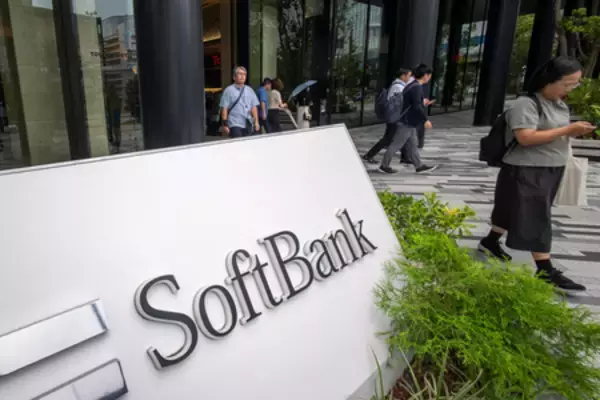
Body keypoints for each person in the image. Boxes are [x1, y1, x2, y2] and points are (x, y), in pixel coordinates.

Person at [479, 56, 596, 292]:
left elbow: (553, 133)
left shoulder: (558, 104)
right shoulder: (526, 104)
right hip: (527, 169)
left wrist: (572, 132)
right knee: (536, 217)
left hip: (551, 167)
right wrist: (567, 129)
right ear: (549, 80)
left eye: (575, 84)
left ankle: (489, 242)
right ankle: (545, 270)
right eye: (568, 84)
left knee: (510, 209)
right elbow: (525, 137)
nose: (571, 89)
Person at [379, 64, 438, 174]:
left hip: (409, 121)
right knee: (396, 144)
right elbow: (416, 106)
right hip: (406, 122)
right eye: (429, 75)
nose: (429, 78)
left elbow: (413, 104)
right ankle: (384, 165)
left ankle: (419, 166)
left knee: (413, 145)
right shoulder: (416, 87)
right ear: (425, 75)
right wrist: (425, 120)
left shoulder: (412, 85)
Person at [362, 68, 412, 164]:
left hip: (396, 116)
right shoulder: (398, 86)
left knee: (403, 136)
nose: (409, 78)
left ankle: (405, 157)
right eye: (409, 76)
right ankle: (369, 155)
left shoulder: (399, 85)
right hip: (394, 117)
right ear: (403, 76)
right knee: (388, 138)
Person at [220, 66, 260, 138]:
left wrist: (256, 122)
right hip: (234, 123)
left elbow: (254, 107)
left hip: (248, 123)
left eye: (244, 74)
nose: (242, 76)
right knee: (237, 143)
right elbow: (224, 108)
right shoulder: (228, 90)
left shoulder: (250, 90)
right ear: (234, 77)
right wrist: (225, 124)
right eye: (240, 74)